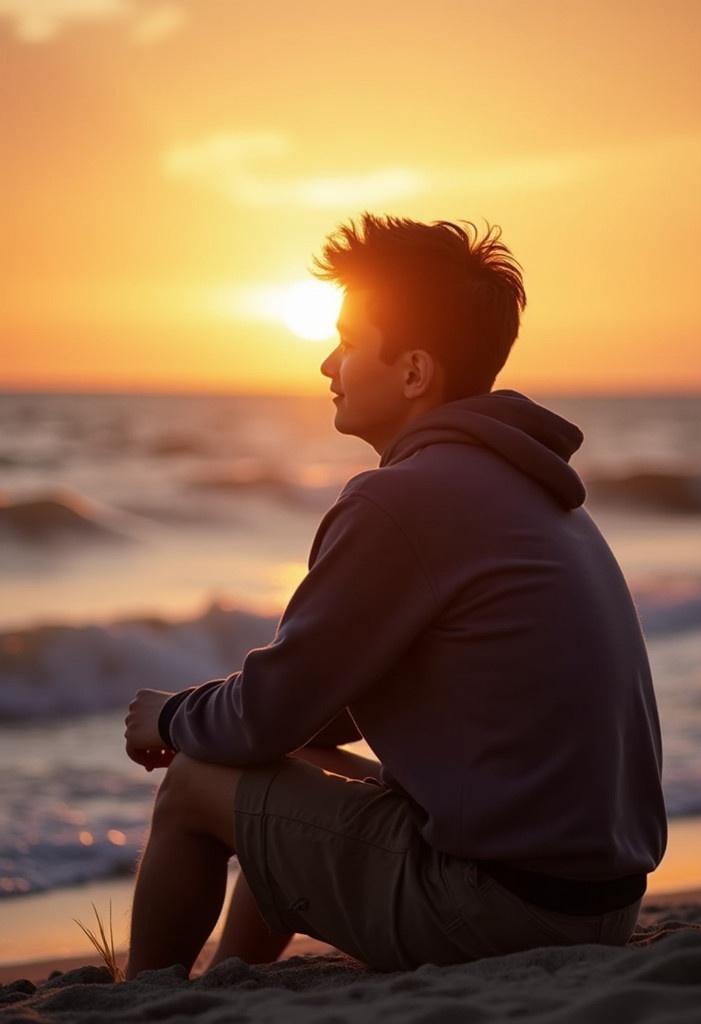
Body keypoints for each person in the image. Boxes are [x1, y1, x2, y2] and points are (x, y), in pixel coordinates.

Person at [123, 213, 667, 979]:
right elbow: (306, 708)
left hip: (500, 913)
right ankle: (233, 982)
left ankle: (147, 996)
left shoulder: (400, 500)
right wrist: (243, 717)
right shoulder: (534, 491)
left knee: (193, 784)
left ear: (413, 372)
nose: (326, 365)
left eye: (347, 341)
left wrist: (171, 717)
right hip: (598, 905)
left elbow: (267, 712)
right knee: (286, 755)